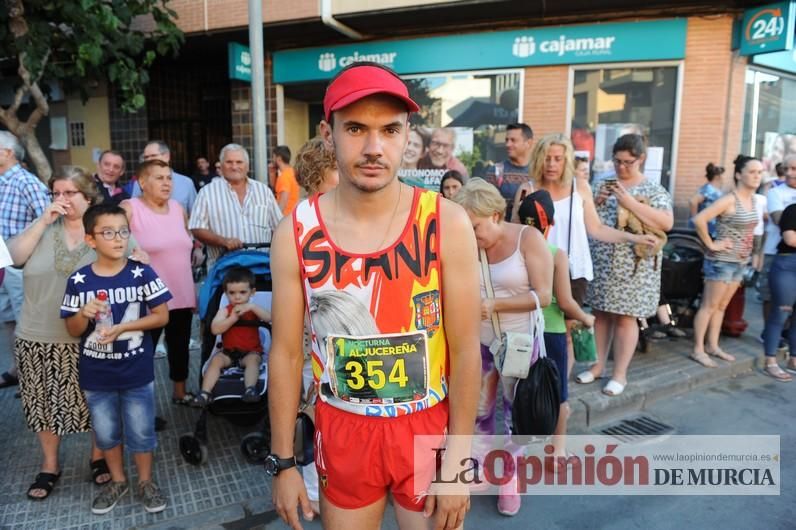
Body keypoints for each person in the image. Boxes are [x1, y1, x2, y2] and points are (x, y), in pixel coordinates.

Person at [269, 62, 481, 530]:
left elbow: (468, 350)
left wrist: (460, 461)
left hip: (427, 426)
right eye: (355, 129)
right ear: (328, 134)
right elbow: (284, 354)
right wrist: (283, 463)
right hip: (343, 427)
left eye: (389, 130)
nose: (373, 147)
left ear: (408, 137)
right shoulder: (296, 232)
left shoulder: (447, 222)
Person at [8, 168, 130, 499]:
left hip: (91, 337)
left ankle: (98, 456)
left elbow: (129, 259)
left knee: (96, 402)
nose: (60, 200)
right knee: (42, 403)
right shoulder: (42, 230)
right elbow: (13, 257)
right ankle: (50, 465)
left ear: (88, 197)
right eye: (55, 194)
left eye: (68, 193)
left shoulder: (102, 230)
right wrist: (43, 221)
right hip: (37, 334)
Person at [511, 134, 656, 386]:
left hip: (573, 271)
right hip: (535, 271)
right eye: (547, 158)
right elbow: (515, 231)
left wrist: (634, 238)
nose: (552, 164)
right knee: (530, 331)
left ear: (566, 160)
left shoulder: (580, 188)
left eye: (558, 158)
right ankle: (528, 387)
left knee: (565, 334)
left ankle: (557, 390)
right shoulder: (527, 189)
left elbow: (597, 229)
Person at [61, 203, 170, 515]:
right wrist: (83, 313)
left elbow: (161, 316)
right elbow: (72, 329)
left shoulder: (142, 273)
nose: (118, 238)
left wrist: (124, 326)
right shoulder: (79, 281)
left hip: (136, 370)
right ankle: (118, 480)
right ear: (91, 240)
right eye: (108, 232)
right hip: (97, 374)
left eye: (123, 231)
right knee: (107, 432)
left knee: (141, 431)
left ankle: (145, 481)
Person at [454, 178, 552, 516]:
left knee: (515, 416)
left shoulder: (529, 238)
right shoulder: (468, 243)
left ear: (496, 215)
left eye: (476, 226)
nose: (472, 233)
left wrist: (496, 305)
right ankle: (481, 467)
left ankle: (508, 476)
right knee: (479, 410)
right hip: (478, 341)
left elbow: (545, 296)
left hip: (519, 343)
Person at [577, 134, 673, 396]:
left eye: (628, 162)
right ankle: (597, 366)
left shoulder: (653, 189)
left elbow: (666, 223)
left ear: (640, 159)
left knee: (625, 319)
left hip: (635, 266)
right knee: (600, 314)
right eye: (617, 161)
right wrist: (596, 201)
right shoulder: (602, 183)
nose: (621, 167)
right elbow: (590, 219)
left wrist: (628, 202)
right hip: (603, 262)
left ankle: (619, 374)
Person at [516, 188, 594, 471]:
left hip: (521, 331)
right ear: (550, 223)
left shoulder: (513, 250)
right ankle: (557, 453)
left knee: (518, 390)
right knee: (558, 393)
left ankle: (518, 451)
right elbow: (565, 302)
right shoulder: (556, 255)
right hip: (551, 333)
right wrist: (586, 318)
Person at [121, 160, 196, 405]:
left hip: (181, 293)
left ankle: (180, 392)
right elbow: (112, 244)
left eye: (169, 177)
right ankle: (139, 405)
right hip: (147, 298)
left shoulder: (177, 208)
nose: (166, 183)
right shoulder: (129, 208)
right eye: (159, 178)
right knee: (143, 353)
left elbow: (185, 247)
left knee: (180, 346)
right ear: (142, 182)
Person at [292, 135, 340, 516]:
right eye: (337, 169)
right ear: (318, 176)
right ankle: (312, 492)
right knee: (315, 418)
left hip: (338, 340)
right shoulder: (303, 224)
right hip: (315, 344)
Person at [690, 155, 761, 368]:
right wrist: (712, 245)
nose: (757, 176)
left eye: (759, 172)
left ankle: (713, 346)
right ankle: (698, 349)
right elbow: (699, 219)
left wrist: (753, 254)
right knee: (709, 306)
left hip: (739, 262)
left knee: (721, 307)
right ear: (739, 174)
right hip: (721, 261)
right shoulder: (729, 199)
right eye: (752, 172)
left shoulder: (754, 199)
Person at [0, 131, 50, 390]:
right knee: (8, 318)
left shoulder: (26, 182)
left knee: (25, 321)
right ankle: (16, 369)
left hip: (22, 265)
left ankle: (35, 380)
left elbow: (48, 220)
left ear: (8, 153)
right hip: (2, 263)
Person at [188, 143, 282, 270]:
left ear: (247, 166)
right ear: (221, 166)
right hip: (223, 271)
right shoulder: (207, 192)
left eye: (239, 162)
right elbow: (196, 227)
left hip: (262, 268)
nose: (234, 166)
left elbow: (279, 227)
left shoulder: (263, 191)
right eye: (229, 162)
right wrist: (223, 241)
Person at [193, 267, 270, 406]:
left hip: (251, 351)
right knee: (216, 361)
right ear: (226, 294)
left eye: (242, 292)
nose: (237, 297)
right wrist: (232, 318)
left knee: (253, 362)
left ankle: (250, 389)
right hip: (228, 352)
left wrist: (252, 307)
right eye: (232, 293)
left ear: (252, 292)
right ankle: (205, 392)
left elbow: (269, 318)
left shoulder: (254, 309)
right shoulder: (225, 311)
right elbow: (215, 329)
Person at [759, 154, 796, 325]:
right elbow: (781, 221)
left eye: (793, 169)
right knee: (770, 296)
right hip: (774, 251)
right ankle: (770, 334)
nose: (788, 173)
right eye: (786, 168)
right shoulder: (775, 192)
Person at [761, 203, 796, 380]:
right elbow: (791, 239)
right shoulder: (792, 210)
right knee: (781, 313)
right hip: (788, 266)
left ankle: (793, 360)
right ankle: (770, 362)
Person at [133, 140, 197, 216]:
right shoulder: (140, 183)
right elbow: (135, 214)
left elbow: (195, 216)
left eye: (153, 156)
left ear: (167, 156)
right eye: (146, 157)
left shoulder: (186, 183)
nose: (149, 160)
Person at [488, 123, 534, 219]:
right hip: (504, 231)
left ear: (528, 143)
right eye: (507, 140)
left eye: (513, 140)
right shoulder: (496, 171)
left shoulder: (538, 172)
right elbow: (487, 206)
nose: (508, 144)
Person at [688, 163, 725, 238]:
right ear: (718, 176)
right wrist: (695, 219)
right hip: (707, 227)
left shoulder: (715, 189)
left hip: (714, 227)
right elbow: (693, 201)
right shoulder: (708, 189)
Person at [272, 145, 301, 215]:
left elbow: (284, 199)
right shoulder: (292, 172)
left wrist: (276, 217)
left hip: (284, 216)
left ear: (278, 159)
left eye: (273, 157)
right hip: (292, 215)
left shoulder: (284, 177)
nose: (272, 160)